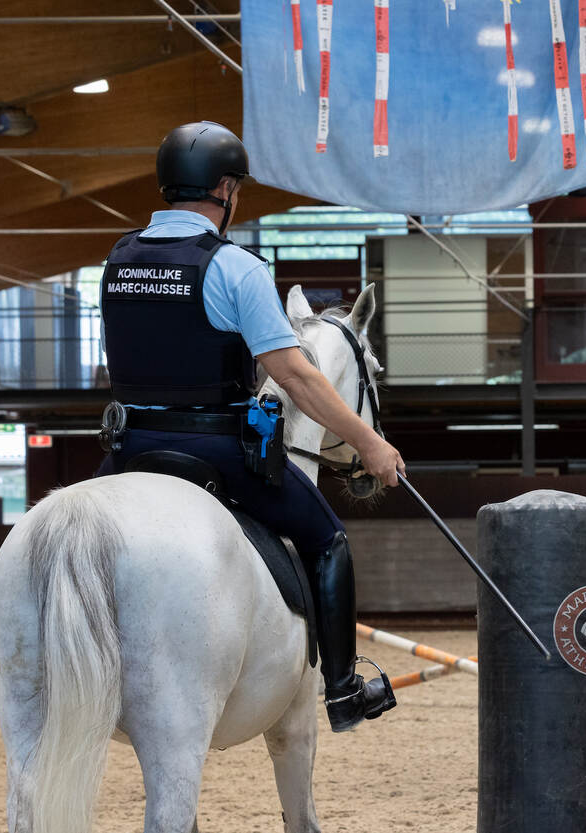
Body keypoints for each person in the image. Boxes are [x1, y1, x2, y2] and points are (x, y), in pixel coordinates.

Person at [95, 121, 403, 732]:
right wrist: (370, 442)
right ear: (227, 189)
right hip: (214, 450)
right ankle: (342, 689)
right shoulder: (233, 266)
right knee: (328, 540)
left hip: (128, 447)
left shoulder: (118, 259)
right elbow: (296, 375)